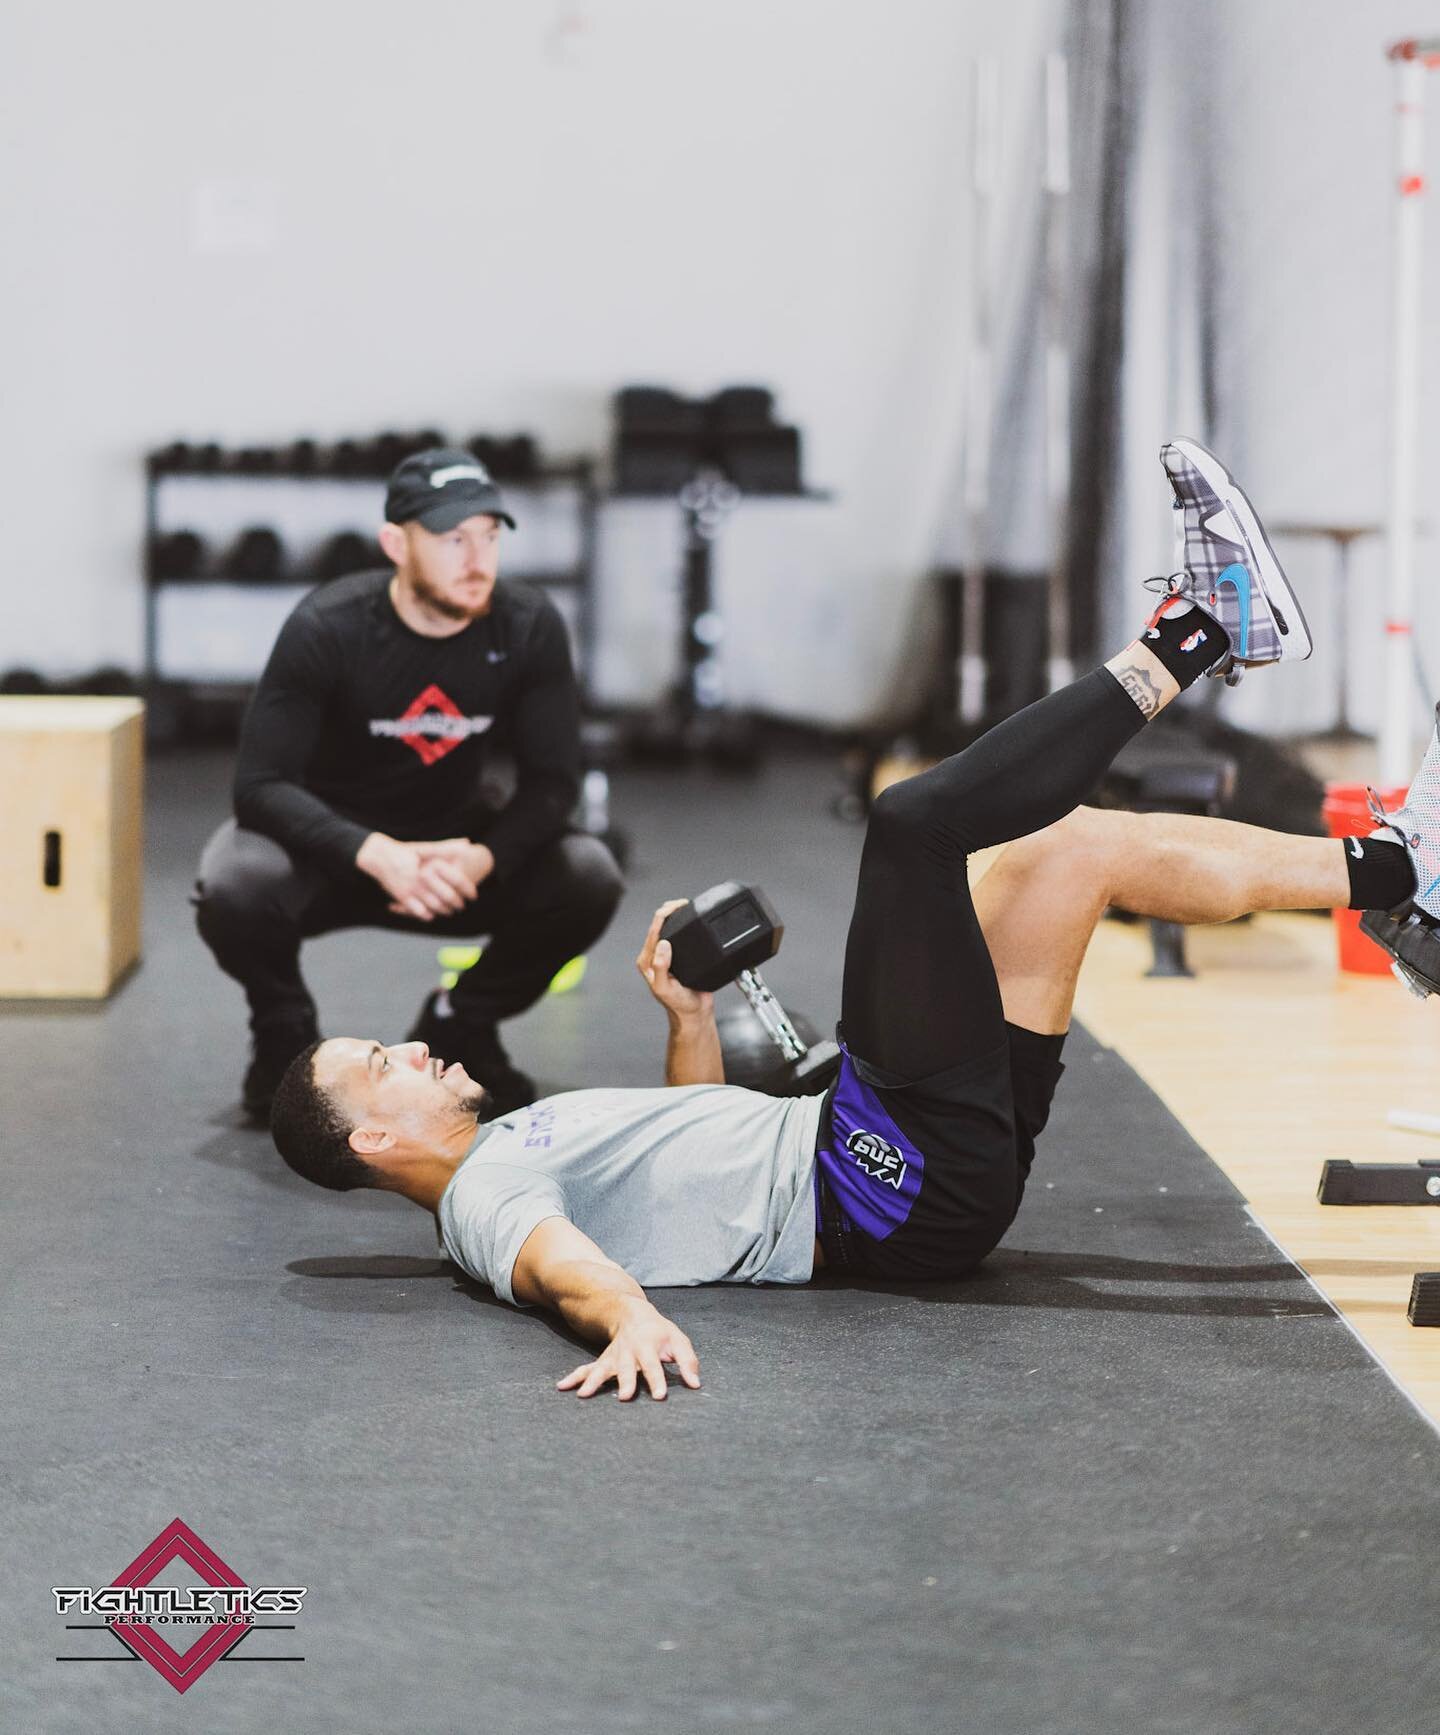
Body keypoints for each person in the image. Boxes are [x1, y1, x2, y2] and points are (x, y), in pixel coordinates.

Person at [268, 439, 1430, 1403]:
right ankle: (1202, 629)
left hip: (903, 1171)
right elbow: (566, 1269)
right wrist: (625, 1322)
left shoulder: (511, 1144)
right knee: (914, 824)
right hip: (880, 1180)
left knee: (1076, 845)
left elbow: (695, 1146)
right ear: (376, 1141)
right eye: (384, 1064)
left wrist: (691, 1012)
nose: (412, 1047)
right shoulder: (482, 1201)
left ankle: (1398, 881)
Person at [194, 446, 625, 1122]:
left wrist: (484, 857)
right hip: (333, 853)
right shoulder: (325, 627)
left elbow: (552, 782)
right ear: (396, 542)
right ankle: (282, 1028)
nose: (478, 559)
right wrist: (374, 852)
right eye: (454, 538)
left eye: (488, 535)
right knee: (234, 885)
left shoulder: (527, 625)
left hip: (454, 852)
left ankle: (461, 1023)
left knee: (588, 873)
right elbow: (259, 785)